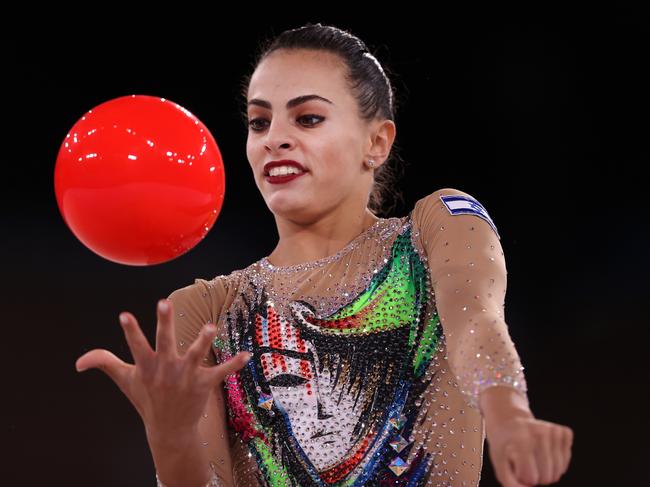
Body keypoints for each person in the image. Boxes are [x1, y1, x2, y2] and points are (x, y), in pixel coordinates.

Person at [75, 23, 574, 487]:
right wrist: (170, 438)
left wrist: (510, 414)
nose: (275, 139)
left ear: (376, 142)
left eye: (308, 118)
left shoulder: (433, 230)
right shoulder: (208, 311)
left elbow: (475, 319)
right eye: (259, 121)